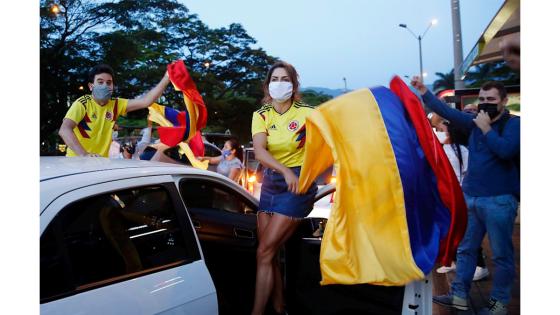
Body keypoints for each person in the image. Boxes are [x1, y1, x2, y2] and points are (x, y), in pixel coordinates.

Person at [412, 77, 520, 315]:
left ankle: (499, 304)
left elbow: (506, 150)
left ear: (504, 101)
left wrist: (486, 129)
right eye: (481, 99)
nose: (484, 103)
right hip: (471, 198)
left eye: (490, 99)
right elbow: (444, 110)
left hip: (499, 201)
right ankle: (459, 295)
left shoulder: (514, 125)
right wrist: (423, 92)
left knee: (502, 256)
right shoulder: (473, 121)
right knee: (465, 250)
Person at [250, 61, 317, 315]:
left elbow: (332, 140)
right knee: (271, 254)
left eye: (285, 79)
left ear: (294, 84)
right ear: (267, 85)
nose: (280, 83)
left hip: (298, 184)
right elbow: (259, 151)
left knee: (264, 251)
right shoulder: (261, 115)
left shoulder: (308, 113)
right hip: (271, 183)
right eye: (275, 79)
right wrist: (284, 170)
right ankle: (280, 308)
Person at [59, 64, 170, 157]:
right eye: (100, 82)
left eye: (109, 82)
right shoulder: (82, 103)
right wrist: (84, 155)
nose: (105, 86)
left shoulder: (116, 104)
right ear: (91, 86)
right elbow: (64, 130)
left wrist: (166, 78)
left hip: (101, 164)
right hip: (76, 163)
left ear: (113, 86)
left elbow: (146, 101)